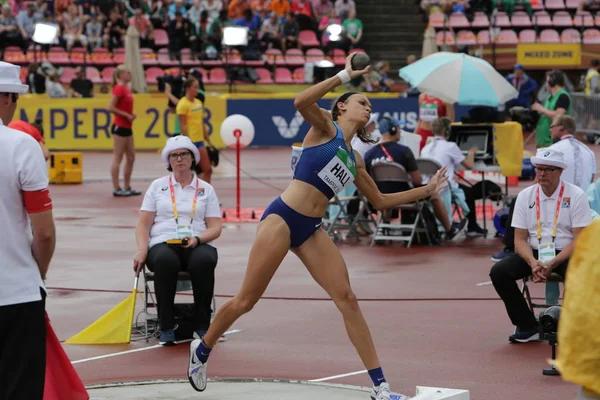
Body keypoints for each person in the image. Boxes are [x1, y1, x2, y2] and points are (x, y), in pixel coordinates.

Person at [186, 55, 449, 400]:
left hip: (310, 228)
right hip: (281, 218)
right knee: (247, 300)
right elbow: (300, 101)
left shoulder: (355, 158)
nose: (368, 108)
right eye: (362, 102)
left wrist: (427, 191)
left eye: (370, 105)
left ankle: (380, 387)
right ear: (341, 107)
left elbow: (381, 202)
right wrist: (344, 75)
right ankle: (202, 350)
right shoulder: (326, 126)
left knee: (348, 299)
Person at [489, 148, 592, 343]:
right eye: (538, 169)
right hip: (533, 252)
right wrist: (533, 262)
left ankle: (570, 324)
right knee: (499, 272)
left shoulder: (576, 195)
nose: (541, 173)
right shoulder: (525, 195)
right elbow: (519, 239)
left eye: (547, 169)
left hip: (566, 251)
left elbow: (579, 240)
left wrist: (552, 263)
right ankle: (528, 326)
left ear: (560, 171)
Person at [0, 61, 56, 400]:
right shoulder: (22, 146)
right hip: (16, 291)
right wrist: (40, 272)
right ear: (6, 98)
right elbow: (44, 233)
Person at [134, 136, 222, 345]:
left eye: (184, 154)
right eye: (174, 155)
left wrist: (198, 239)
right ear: (169, 160)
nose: (179, 158)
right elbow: (143, 224)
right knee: (165, 261)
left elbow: (216, 227)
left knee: (204, 261)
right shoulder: (157, 186)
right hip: (163, 242)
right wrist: (141, 250)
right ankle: (166, 326)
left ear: (193, 158)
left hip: (197, 241)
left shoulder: (206, 189)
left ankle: (202, 326)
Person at [364, 116, 464, 239]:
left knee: (386, 190)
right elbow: (418, 180)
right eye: (399, 128)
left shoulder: (369, 154)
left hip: (380, 197)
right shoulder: (404, 151)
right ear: (393, 130)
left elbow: (367, 180)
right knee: (434, 195)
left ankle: (382, 227)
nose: (400, 131)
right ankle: (449, 230)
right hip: (404, 197)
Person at [421, 117, 488, 237]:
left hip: (426, 188)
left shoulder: (425, 148)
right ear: (447, 131)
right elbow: (469, 166)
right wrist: (472, 152)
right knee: (469, 192)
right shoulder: (451, 146)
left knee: (462, 189)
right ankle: (472, 226)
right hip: (443, 188)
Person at [106, 64, 141, 197]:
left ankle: (127, 186)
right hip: (120, 126)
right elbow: (110, 107)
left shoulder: (127, 89)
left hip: (127, 126)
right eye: (127, 73)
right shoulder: (119, 88)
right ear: (121, 75)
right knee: (118, 157)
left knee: (131, 157)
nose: (130, 75)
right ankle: (117, 187)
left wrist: (131, 115)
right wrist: (126, 115)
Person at [177, 77, 214, 183]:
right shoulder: (183, 104)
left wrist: (208, 140)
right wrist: (188, 142)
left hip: (200, 141)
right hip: (190, 142)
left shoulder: (198, 102)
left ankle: (204, 194)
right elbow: (182, 125)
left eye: (198, 87)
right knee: (187, 172)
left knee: (208, 170)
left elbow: (201, 123)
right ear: (188, 88)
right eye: (195, 87)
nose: (197, 90)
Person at [532, 70, 572, 148]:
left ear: (552, 82)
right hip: (543, 140)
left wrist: (541, 109)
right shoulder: (550, 97)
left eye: (547, 82)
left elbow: (559, 115)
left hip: (552, 142)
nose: (546, 85)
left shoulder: (562, 96)